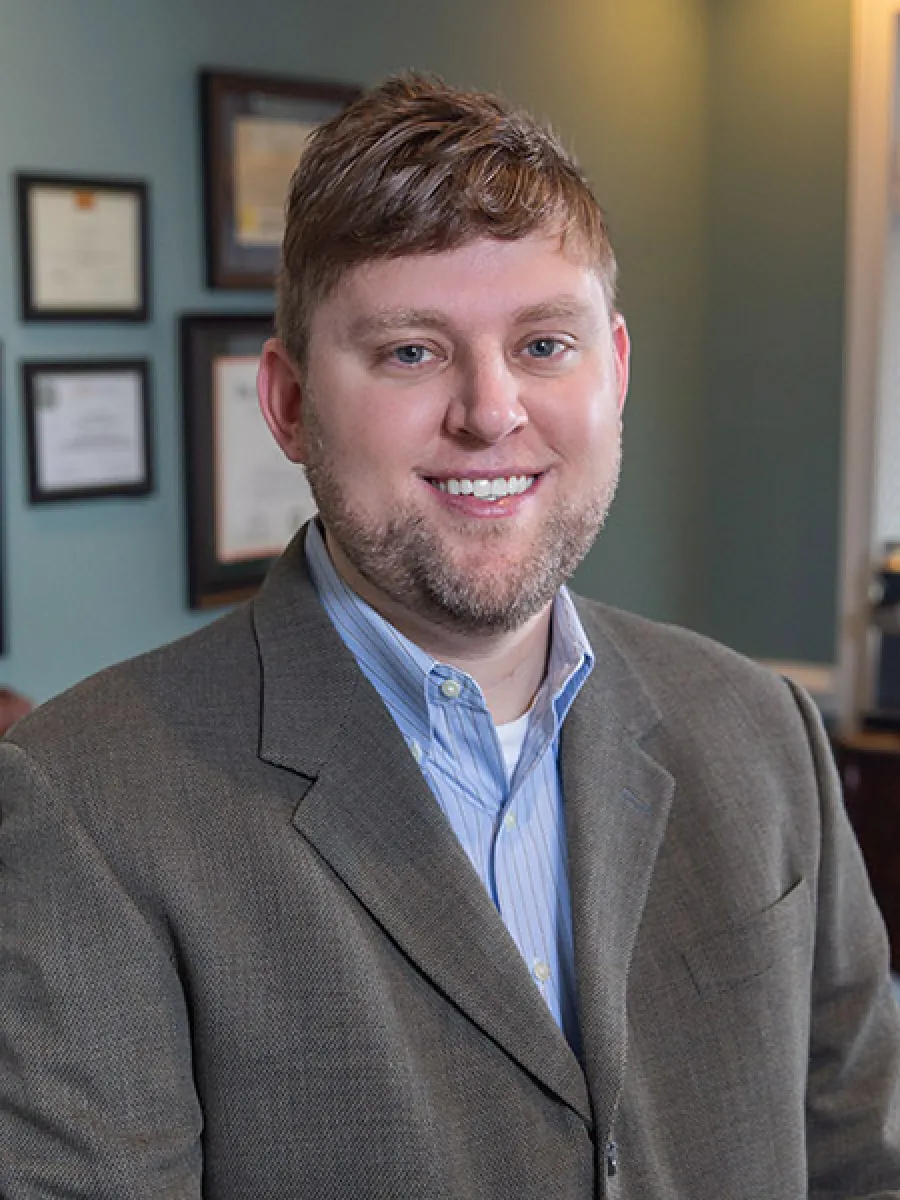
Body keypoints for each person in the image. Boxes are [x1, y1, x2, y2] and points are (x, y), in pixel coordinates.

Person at [1, 73, 898, 1199]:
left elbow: (864, 1163)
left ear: (614, 372)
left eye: (543, 345)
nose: (489, 410)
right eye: (411, 352)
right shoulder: (86, 804)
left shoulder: (762, 731)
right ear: (285, 405)